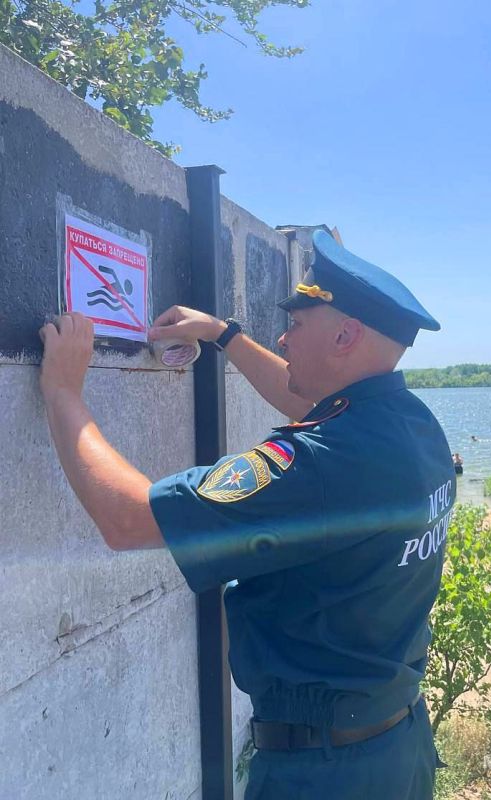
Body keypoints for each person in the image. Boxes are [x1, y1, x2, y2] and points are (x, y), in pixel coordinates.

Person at [39, 230, 455, 800]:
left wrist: (63, 391)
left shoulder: (317, 466)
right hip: (398, 749)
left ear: (345, 335)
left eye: (297, 326)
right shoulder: (411, 426)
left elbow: (128, 519)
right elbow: (307, 403)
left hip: (325, 775)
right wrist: (222, 334)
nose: (283, 338)